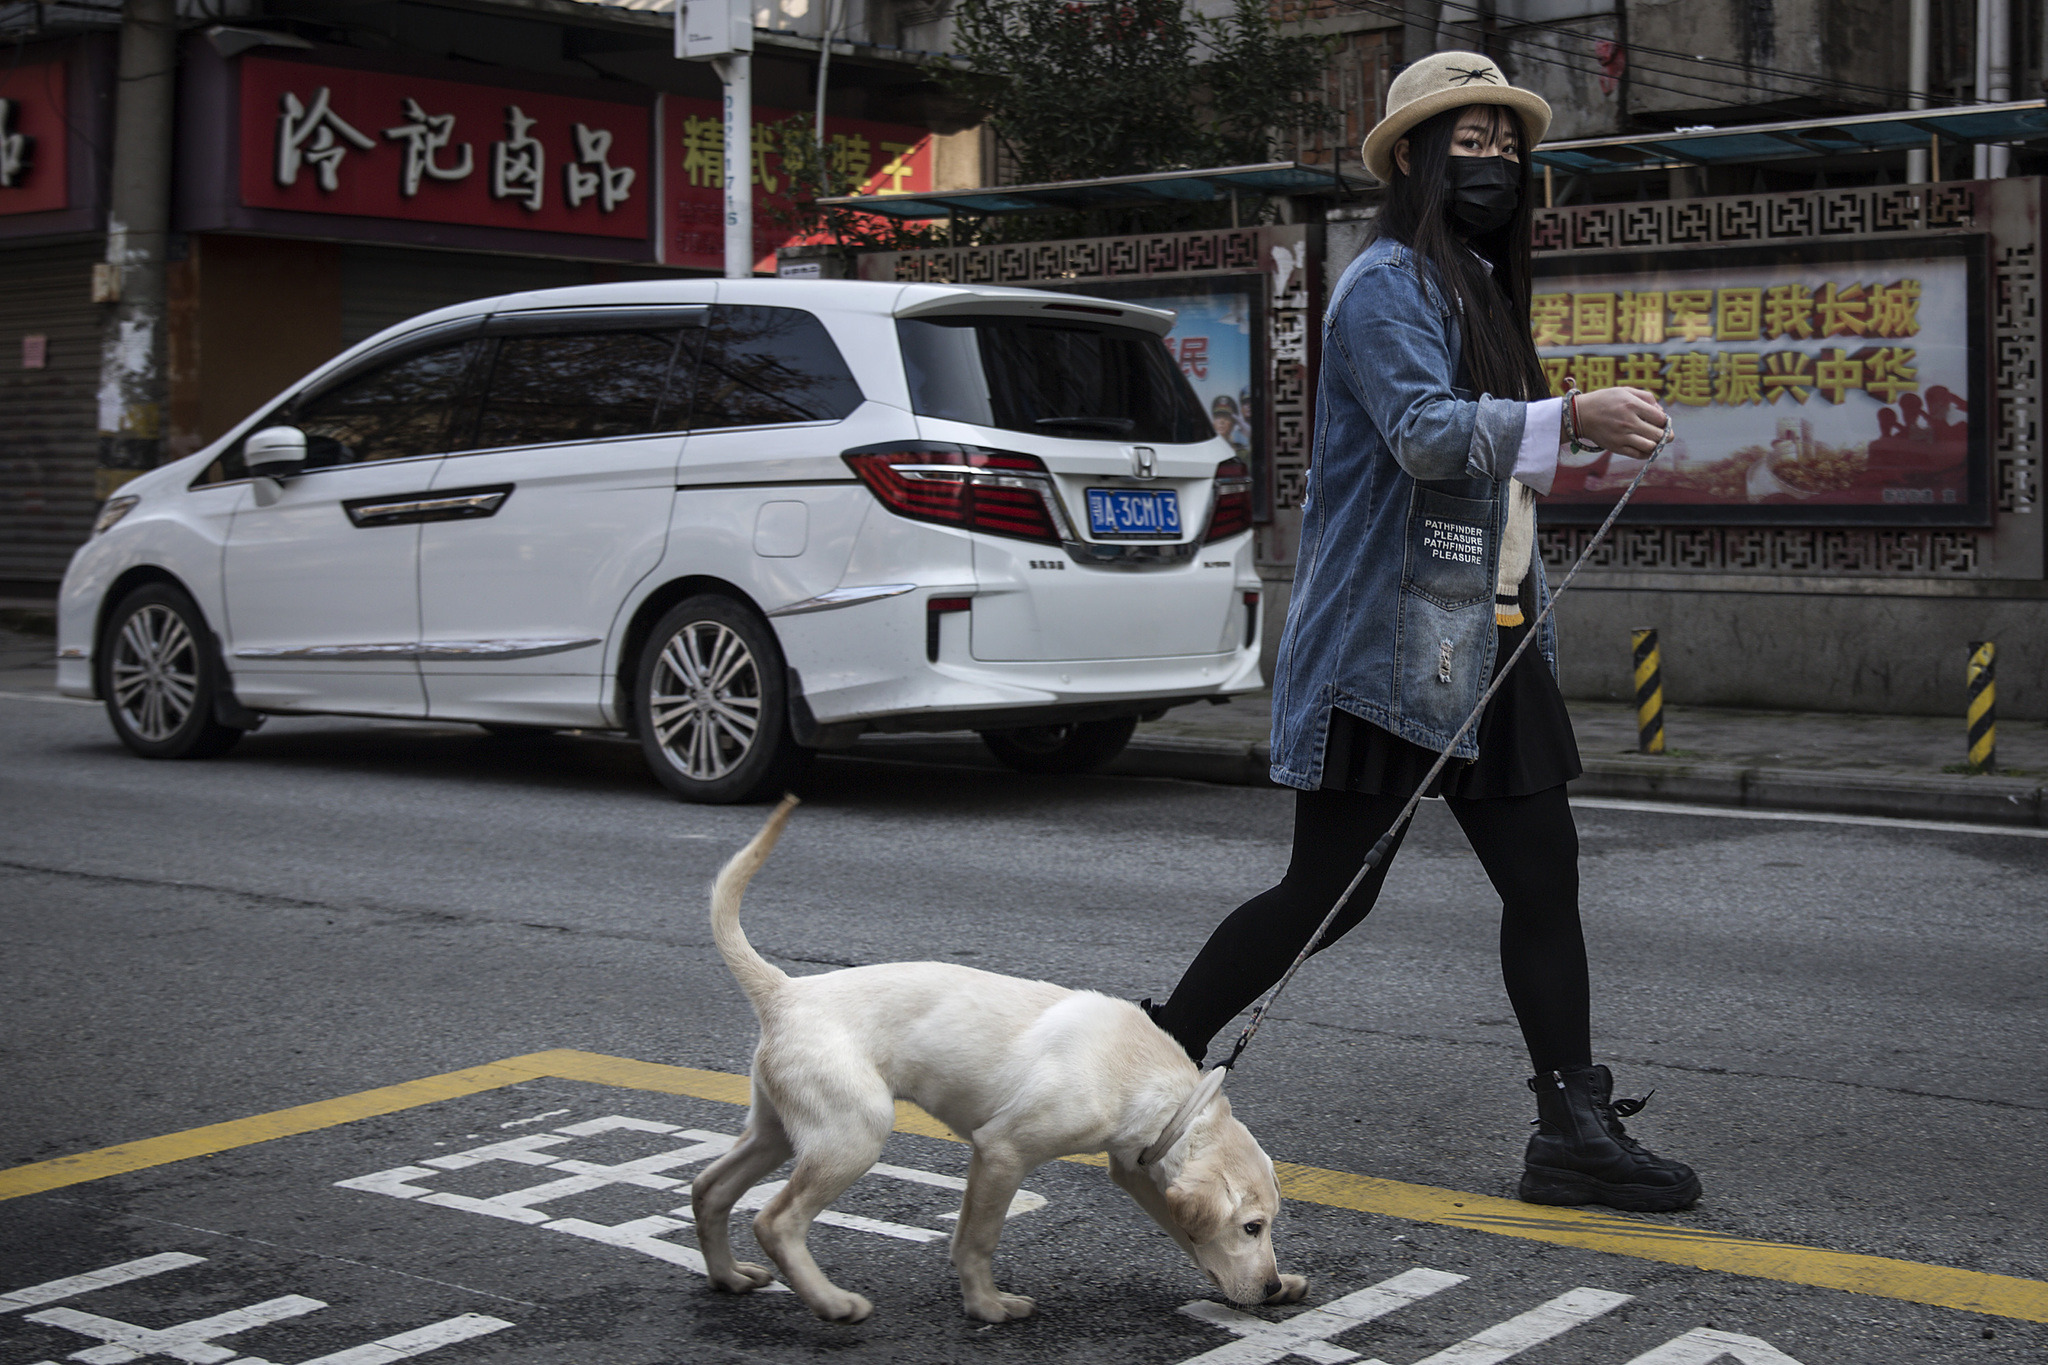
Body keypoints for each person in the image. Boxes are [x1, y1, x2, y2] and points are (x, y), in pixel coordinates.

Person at [1143, 53, 1700, 1214]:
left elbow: (1488, 456)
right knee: (1329, 893)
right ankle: (1146, 1061)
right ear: (1413, 160)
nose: (1492, 163)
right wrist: (1570, 417)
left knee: (1544, 881)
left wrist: (1571, 426)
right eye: (1469, 143)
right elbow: (1423, 433)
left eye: (1507, 144)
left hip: (1488, 638)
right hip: (1391, 645)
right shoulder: (1385, 284)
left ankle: (1571, 1127)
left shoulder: (1478, 291)